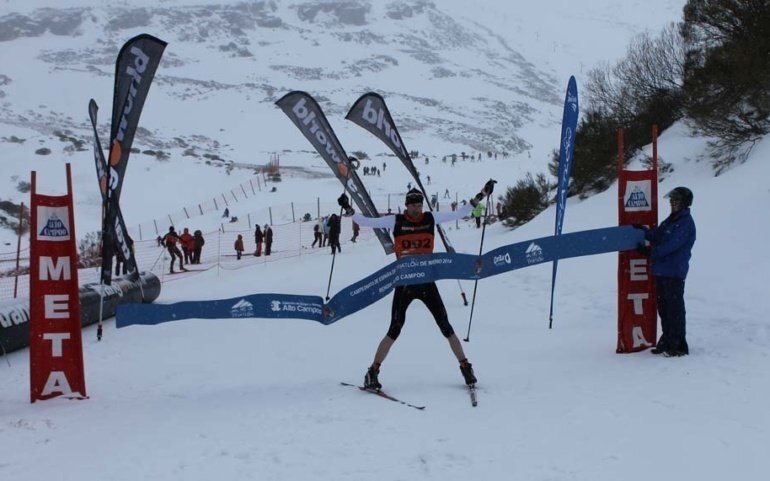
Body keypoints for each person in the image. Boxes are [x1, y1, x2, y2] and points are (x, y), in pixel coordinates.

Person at [347, 181, 495, 390]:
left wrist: (482, 194)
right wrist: (348, 209)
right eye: (413, 205)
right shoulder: (395, 221)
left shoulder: (430, 218)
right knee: (395, 328)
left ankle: (465, 367)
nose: (417, 209)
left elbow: (460, 213)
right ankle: (372, 372)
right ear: (407, 205)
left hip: (426, 282)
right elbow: (366, 221)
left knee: (446, 326)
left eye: (419, 205)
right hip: (405, 283)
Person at [636, 186, 696, 357]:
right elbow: (658, 234)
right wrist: (642, 231)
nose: (672, 203)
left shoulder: (685, 223)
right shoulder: (671, 220)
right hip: (661, 271)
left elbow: (670, 245)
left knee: (674, 310)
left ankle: (678, 346)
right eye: (671, 200)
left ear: (684, 203)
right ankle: (667, 340)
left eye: (675, 200)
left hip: (674, 273)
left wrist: (650, 252)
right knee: (664, 309)